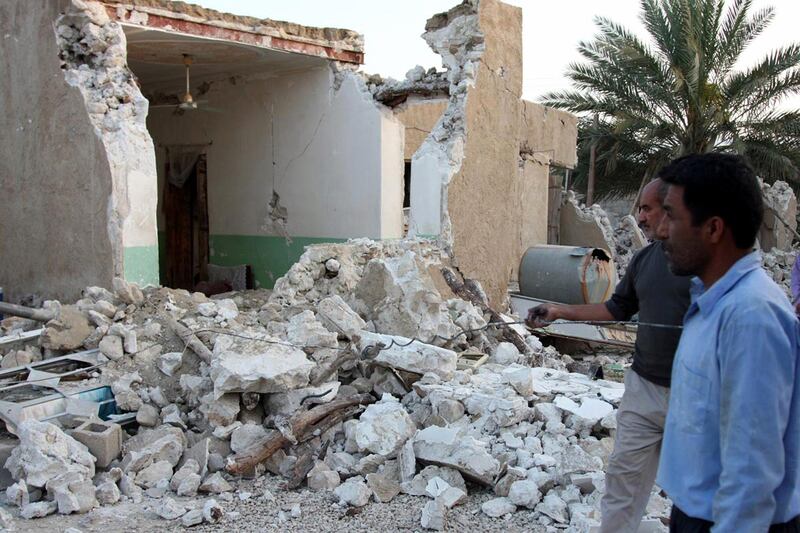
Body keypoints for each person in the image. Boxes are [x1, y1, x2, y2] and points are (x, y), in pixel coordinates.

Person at [526, 178, 691, 533]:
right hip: (644, 389)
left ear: (672, 210)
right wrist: (559, 310)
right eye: (640, 209)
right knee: (622, 482)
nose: (641, 218)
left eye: (647, 209)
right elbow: (618, 307)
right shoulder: (645, 260)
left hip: (694, 394)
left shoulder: (704, 267)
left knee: (693, 492)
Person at [655, 153, 800, 532]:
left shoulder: (751, 316)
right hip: (700, 513)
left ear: (714, 228)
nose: (660, 230)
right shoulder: (715, 301)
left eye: (671, 215)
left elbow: (752, 473)